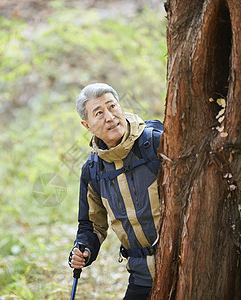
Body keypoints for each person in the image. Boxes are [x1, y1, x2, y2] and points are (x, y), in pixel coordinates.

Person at [68, 83, 162, 299]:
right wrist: (83, 248)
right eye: (99, 113)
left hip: (181, 263)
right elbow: (91, 225)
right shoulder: (92, 170)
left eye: (112, 107)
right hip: (141, 275)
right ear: (87, 125)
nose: (109, 117)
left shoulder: (154, 143)